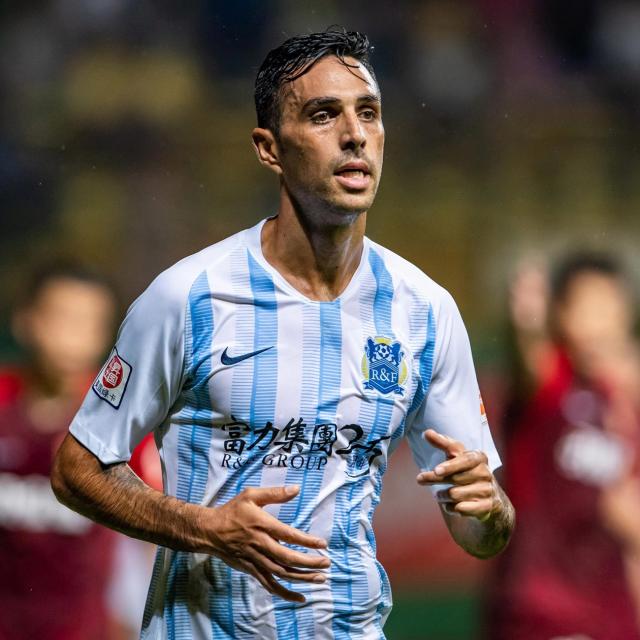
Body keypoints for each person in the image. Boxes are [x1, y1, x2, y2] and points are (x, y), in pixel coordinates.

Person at [51, 29, 514, 639]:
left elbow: (481, 535)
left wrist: (490, 510)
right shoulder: (187, 297)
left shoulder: (426, 310)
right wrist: (205, 528)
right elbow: (76, 469)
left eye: (368, 113)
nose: (354, 134)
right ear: (269, 148)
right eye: (323, 115)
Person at [486, 252, 640, 640]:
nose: (602, 323)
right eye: (590, 307)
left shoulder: (623, 406)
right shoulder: (551, 386)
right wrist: (525, 322)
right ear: (561, 314)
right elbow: (528, 355)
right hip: (543, 616)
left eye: (611, 307)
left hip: (612, 619)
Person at [0, 261, 118, 640]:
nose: (72, 337)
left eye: (87, 323)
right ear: (26, 321)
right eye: (62, 318)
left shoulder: (118, 420)